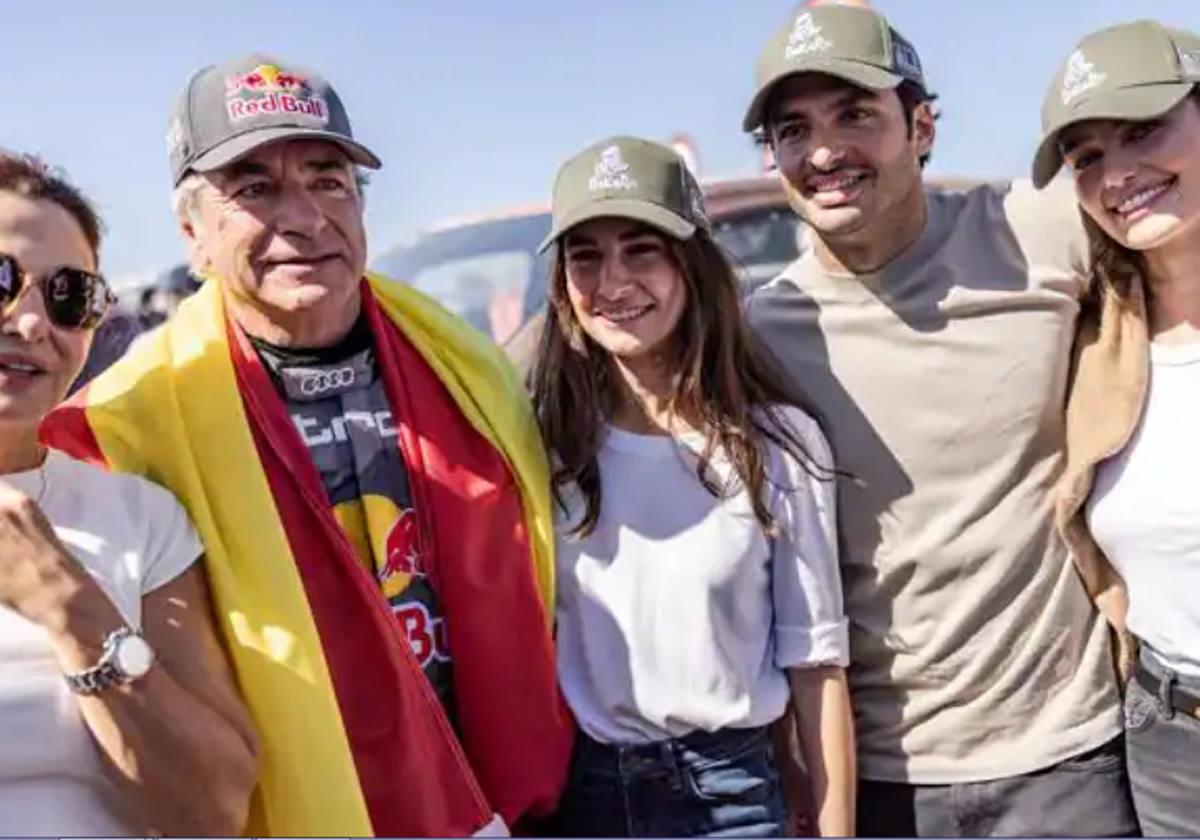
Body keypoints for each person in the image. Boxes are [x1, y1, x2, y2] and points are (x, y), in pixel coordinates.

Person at [42, 55, 572, 837]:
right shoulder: (121, 426)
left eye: (328, 180)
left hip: (503, 803)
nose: (304, 216)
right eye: (254, 188)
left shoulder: (470, 366)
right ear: (192, 234)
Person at [742, 4, 1138, 836]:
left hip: (1066, 759)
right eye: (793, 128)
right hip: (877, 778)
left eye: (855, 114)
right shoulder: (755, 334)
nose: (823, 152)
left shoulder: (1039, 231)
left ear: (922, 126)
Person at [531, 135, 855, 837]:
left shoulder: (780, 444)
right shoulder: (539, 447)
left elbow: (817, 670)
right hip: (581, 798)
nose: (612, 282)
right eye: (585, 256)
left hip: (734, 798)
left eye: (642, 249)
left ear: (693, 266)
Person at [0, 153, 258, 835]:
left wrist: (70, 607)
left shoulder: (140, 519)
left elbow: (216, 808)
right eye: (1, 279)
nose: (30, 323)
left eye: (68, 296)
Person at [1034, 19, 1200, 836]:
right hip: (1169, 741)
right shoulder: (1096, 344)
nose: (1119, 174)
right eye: (1087, 156)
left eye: (1144, 130)